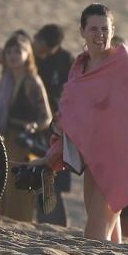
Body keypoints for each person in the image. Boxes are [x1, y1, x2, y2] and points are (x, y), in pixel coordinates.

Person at [33, 4, 128, 243]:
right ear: (82, 31)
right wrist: (59, 126)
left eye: (105, 29)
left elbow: (123, 113)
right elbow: (71, 109)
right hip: (93, 159)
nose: (99, 35)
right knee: (108, 236)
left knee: (94, 237)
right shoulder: (79, 67)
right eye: (93, 29)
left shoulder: (121, 61)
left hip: (116, 160)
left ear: (113, 31)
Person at [0, 31, 51, 223]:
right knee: (4, 189)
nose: (13, 56)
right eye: (9, 52)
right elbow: (1, 110)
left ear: (27, 54)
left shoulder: (32, 81)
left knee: (20, 191)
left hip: (24, 144)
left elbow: (46, 116)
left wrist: (33, 126)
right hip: (6, 140)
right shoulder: (7, 80)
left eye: (18, 51)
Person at [29, 23, 74, 227]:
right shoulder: (32, 57)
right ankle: (41, 222)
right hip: (36, 127)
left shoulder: (66, 61)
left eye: (41, 43)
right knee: (36, 176)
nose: (38, 46)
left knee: (54, 178)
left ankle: (56, 227)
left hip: (58, 128)